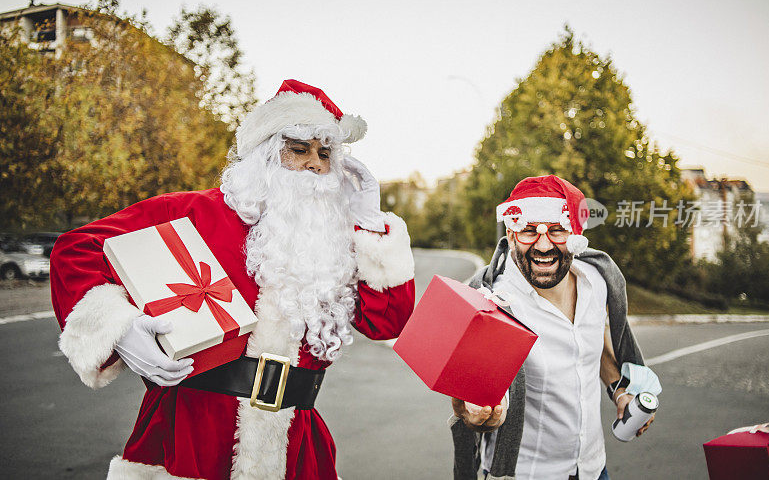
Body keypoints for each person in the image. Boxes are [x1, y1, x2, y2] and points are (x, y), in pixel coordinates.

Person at [50, 79, 416, 480]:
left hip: (296, 449)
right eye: (299, 148)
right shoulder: (193, 211)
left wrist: (369, 223)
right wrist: (118, 327)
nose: (316, 163)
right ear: (264, 154)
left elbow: (389, 323)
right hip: (189, 439)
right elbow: (77, 248)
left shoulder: (338, 242)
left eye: (326, 153)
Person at [450, 175, 661, 480]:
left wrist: (620, 391)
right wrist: (474, 413)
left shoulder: (597, 281)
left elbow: (592, 341)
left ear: (576, 235)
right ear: (511, 236)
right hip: (525, 474)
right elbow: (466, 396)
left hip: (592, 467)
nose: (544, 245)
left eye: (557, 231)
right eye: (529, 231)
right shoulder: (492, 301)